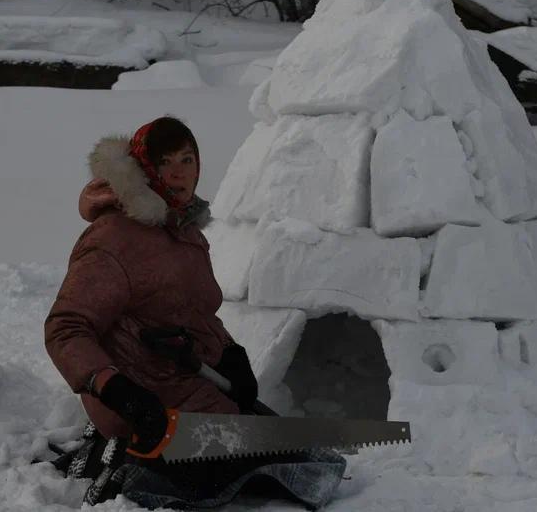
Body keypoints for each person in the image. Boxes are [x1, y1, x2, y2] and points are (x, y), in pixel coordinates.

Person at [44, 116, 345, 508]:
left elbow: (197, 314)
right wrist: (117, 390)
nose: (178, 173)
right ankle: (130, 462)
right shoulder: (113, 238)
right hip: (141, 400)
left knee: (295, 447)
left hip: (183, 383)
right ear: (144, 168)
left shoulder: (186, 235)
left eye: (187, 160)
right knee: (259, 464)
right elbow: (66, 329)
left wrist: (230, 356)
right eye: (165, 162)